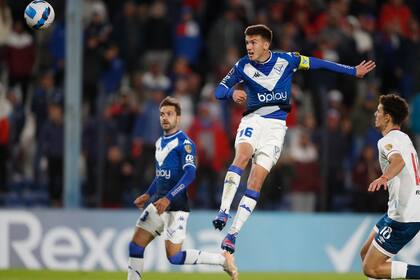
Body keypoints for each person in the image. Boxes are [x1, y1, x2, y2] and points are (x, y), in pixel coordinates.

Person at [212, 24, 376, 253]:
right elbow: (218, 90)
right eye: (247, 42)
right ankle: (223, 211)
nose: (249, 46)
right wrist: (231, 92)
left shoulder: (287, 60)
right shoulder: (242, 66)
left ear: (266, 44)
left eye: (253, 42)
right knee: (242, 156)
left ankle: (233, 234)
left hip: (276, 128)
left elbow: (319, 63)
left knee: (256, 181)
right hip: (253, 120)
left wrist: (352, 71)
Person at [127, 97, 238, 280]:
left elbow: (190, 174)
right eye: (162, 114)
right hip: (158, 204)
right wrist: (148, 194)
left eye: (169, 114)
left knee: (174, 257)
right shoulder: (159, 142)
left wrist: (168, 198)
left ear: (178, 117)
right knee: (135, 246)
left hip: (176, 206)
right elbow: (161, 174)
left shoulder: (185, 144)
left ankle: (222, 260)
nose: (164, 117)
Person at [360, 94, 420, 280]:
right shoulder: (403, 138)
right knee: (365, 253)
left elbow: (398, 161)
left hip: (403, 216)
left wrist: (384, 177)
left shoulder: (386, 140)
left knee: (371, 269)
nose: (375, 114)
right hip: (399, 211)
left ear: (387, 117)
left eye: (379, 111)